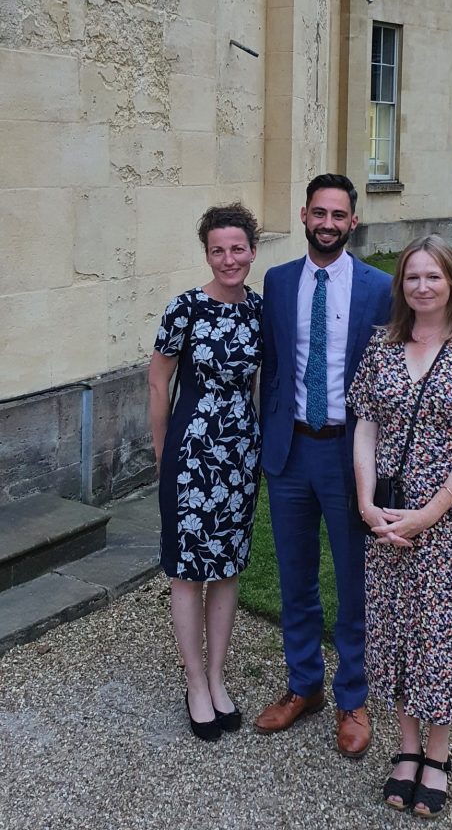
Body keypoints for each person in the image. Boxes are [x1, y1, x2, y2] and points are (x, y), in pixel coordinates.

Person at [346, 234, 452, 816]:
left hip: (450, 524)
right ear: (402, 286)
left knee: (442, 636)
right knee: (395, 632)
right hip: (386, 518)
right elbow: (365, 426)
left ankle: (437, 757)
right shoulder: (382, 346)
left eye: (432, 277)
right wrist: (367, 504)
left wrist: (430, 512)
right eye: (412, 277)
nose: (422, 287)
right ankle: (406, 749)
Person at [254, 173, 392, 758]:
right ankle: (303, 684)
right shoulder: (279, 281)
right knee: (296, 578)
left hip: (349, 453)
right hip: (290, 451)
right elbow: (272, 362)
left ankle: (352, 698)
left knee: (355, 582)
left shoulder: (379, 287)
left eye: (339, 215)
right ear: (304, 215)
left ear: (352, 222)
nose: (328, 224)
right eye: (319, 213)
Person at [148, 203, 262, 741]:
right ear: (206, 253)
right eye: (218, 249)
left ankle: (218, 677)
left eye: (237, 248)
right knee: (188, 569)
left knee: (228, 566)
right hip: (191, 452)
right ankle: (194, 682)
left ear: (252, 251)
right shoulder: (184, 310)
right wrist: (160, 451)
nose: (228, 258)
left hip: (240, 455)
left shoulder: (259, 311)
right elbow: (157, 384)